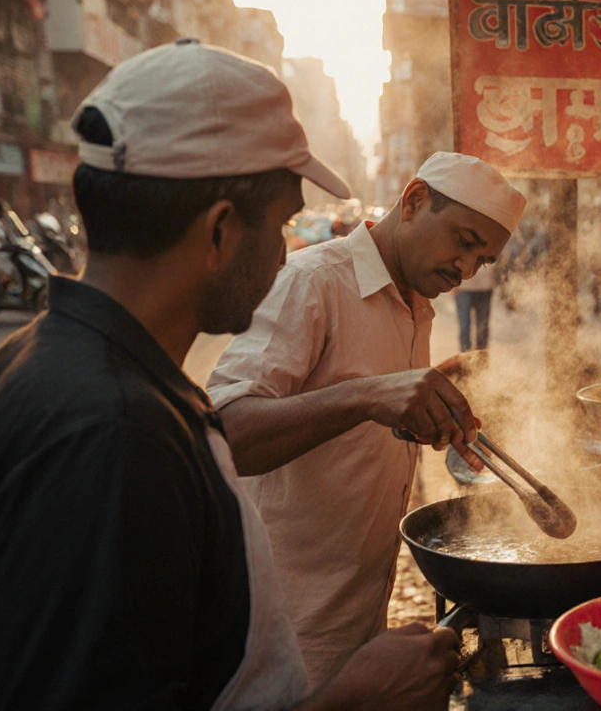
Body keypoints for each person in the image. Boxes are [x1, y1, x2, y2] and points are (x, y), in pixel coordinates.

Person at [0, 41, 460, 710]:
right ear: (220, 231)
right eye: (283, 225)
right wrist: (356, 697)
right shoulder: (114, 434)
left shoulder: (53, 358)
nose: (286, 254)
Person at [206, 151, 523, 687]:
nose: (467, 270)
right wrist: (367, 396)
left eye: (483, 261)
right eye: (465, 241)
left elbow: (369, 414)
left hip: (357, 615)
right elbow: (223, 431)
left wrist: (430, 401)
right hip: (283, 626)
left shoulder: (416, 301)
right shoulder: (313, 281)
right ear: (414, 200)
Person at [455, 260, 494, 350]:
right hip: (463, 288)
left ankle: (481, 355)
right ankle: (465, 354)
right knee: (464, 325)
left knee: (483, 325)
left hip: (485, 286)